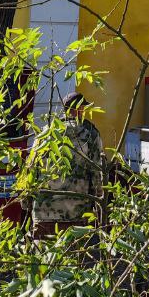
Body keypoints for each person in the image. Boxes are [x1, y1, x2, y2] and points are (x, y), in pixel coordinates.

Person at [31, 91, 104, 234]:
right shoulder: (90, 134)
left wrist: (27, 203)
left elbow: (32, 168)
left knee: (44, 254)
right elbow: (97, 172)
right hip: (78, 211)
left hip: (44, 212)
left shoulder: (45, 134)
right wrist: (99, 203)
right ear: (79, 109)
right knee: (74, 253)